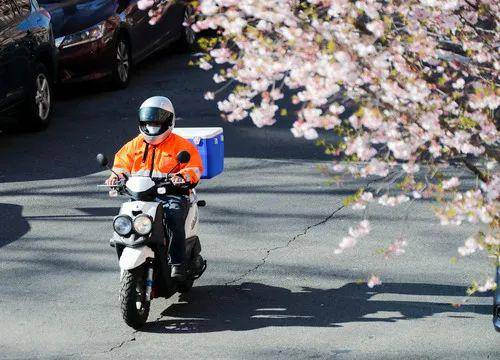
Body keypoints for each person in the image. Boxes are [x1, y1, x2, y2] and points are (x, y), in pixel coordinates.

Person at [106, 96, 203, 279]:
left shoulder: (181, 145)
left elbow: (194, 168)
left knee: (173, 216)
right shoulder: (134, 145)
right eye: (149, 122)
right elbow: (121, 164)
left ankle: (178, 263)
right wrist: (115, 176)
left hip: (172, 194)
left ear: (169, 121)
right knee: (124, 219)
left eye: (157, 122)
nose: (153, 127)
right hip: (141, 196)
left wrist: (182, 177)